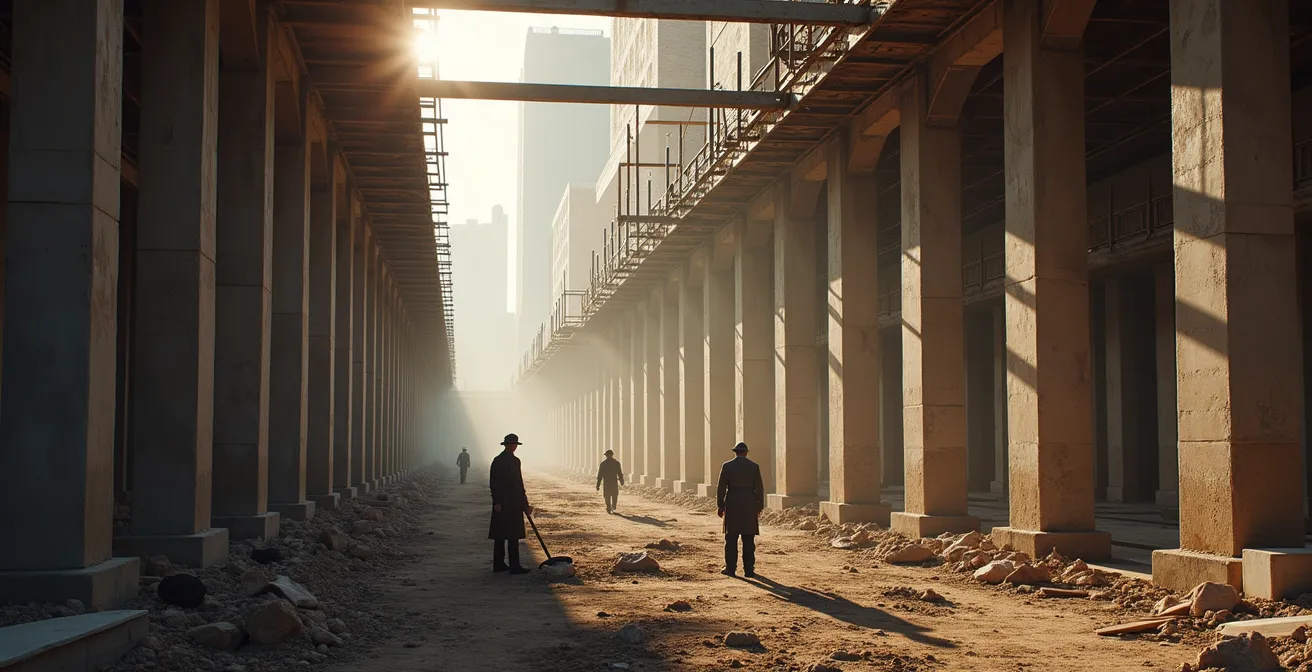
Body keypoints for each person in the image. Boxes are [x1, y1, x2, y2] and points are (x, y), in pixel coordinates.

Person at [716, 441, 764, 578]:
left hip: (733, 502)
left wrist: (720, 505)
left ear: (735, 453)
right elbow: (759, 488)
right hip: (749, 503)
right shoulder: (754, 466)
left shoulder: (727, 466)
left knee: (731, 538)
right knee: (748, 538)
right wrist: (759, 506)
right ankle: (749, 570)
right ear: (746, 453)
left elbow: (721, 487)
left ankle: (730, 568)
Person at [488, 433, 533, 574]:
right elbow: (494, 483)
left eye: (515, 445)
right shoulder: (499, 461)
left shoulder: (515, 461)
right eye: (513, 444)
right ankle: (508, 565)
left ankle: (505, 564)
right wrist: (497, 501)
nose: (514, 447)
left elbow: (519, 483)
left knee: (509, 535)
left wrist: (525, 503)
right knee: (503, 535)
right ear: (507, 445)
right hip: (504, 502)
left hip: (514, 502)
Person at [595, 449, 625, 514]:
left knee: (607, 495)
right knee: (614, 494)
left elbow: (600, 475)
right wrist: (621, 481)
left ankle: (609, 506)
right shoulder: (616, 463)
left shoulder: (603, 464)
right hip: (613, 481)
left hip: (607, 482)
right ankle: (612, 506)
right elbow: (620, 473)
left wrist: (598, 485)